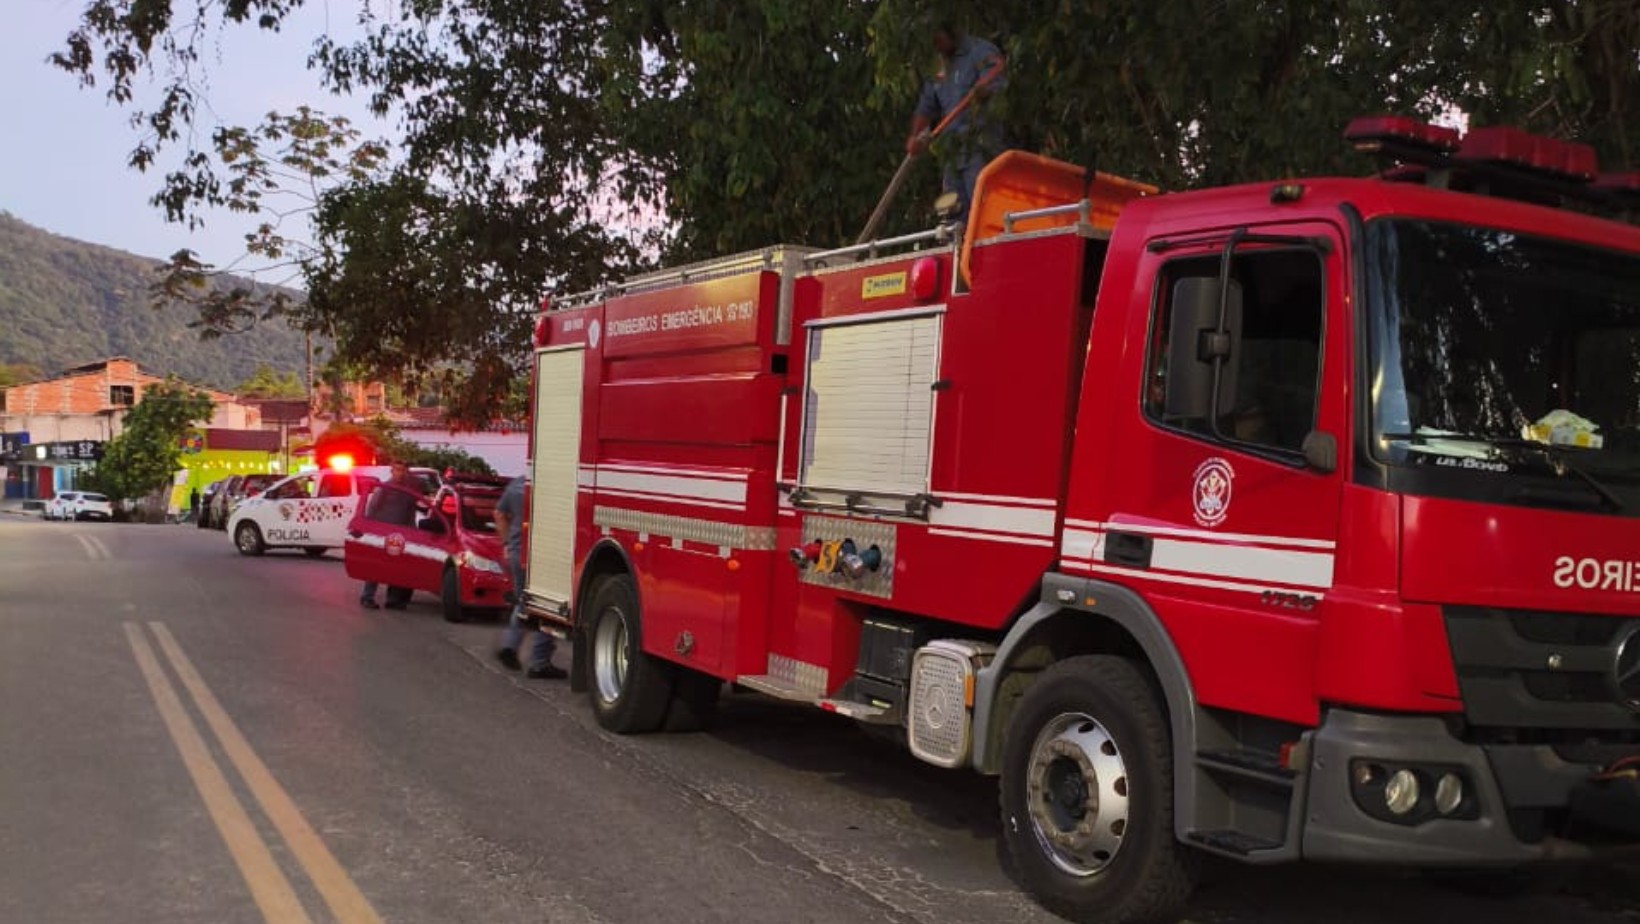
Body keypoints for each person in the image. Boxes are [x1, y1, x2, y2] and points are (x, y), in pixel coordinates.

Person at [905, 23, 1007, 226]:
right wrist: (915, 136)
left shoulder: (980, 51)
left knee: (982, 209)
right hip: (951, 154)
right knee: (951, 214)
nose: (937, 47)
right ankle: (955, 253)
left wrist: (983, 93)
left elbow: (1000, 85)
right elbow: (925, 107)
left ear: (950, 31)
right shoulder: (937, 66)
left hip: (981, 147)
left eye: (938, 40)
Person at [493, 471, 564, 679]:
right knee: (548, 606)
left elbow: (498, 514)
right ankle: (539, 661)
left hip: (517, 552)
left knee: (523, 601)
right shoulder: (553, 486)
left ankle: (510, 645)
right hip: (544, 554)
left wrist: (506, 543)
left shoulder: (517, 483)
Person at [360, 460, 421, 610]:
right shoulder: (384, 488)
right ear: (392, 471)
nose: (400, 473)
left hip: (400, 534)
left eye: (402, 470)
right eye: (397, 470)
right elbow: (373, 507)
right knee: (376, 565)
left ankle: (392, 600)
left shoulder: (408, 492)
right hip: (382, 532)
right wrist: (369, 528)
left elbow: (410, 512)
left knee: (396, 567)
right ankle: (367, 597)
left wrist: (412, 532)